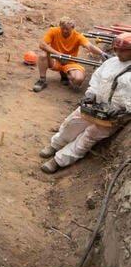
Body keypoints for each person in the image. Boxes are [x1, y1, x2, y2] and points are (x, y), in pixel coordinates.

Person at [39, 32, 131, 173]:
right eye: (116, 50)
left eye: (123, 51)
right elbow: (97, 78)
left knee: (89, 135)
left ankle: (59, 160)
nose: (118, 53)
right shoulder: (111, 63)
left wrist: (123, 108)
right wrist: (91, 94)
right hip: (97, 104)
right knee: (73, 122)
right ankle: (56, 144)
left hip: (115, 114)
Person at [32, 16, 108, 92]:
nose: (65, 31)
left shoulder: (78, 36)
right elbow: (42, 44)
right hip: (55, 59)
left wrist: (101, 53)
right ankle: (42, 80)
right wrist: (58, 54)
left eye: (67, 29)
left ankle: (65, 74)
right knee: (43, 55)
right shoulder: (53, 31)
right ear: (60, 27)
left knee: (78, 79)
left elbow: (89, 46)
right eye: (63, 29)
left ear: (72, 28)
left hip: (70, 62)